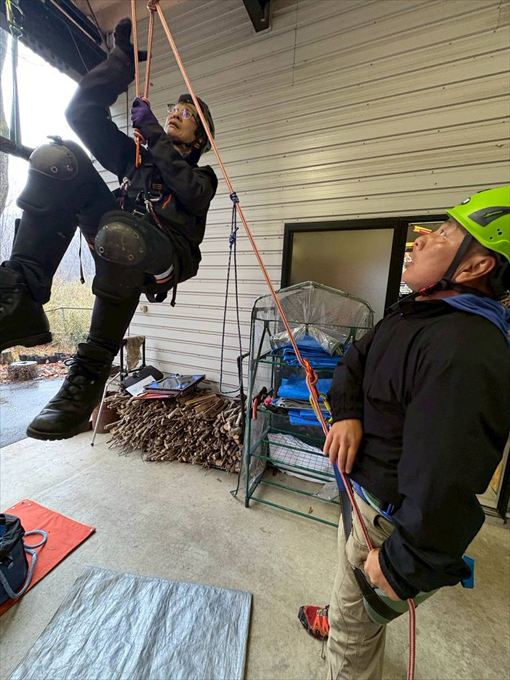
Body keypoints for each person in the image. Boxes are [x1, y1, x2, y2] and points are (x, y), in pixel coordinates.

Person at [298, 186, 510, 679]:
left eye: (444, 234)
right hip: (363, 492)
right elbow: (356, 360)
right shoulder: (414, 312)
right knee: (351, 590)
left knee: (354, 637)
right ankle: (344, 610)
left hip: (388, 519)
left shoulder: (464, 351)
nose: (420, 239)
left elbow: (446, 478)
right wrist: (347, 412)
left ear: (476, 266)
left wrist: (401, 564)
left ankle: (346, 627)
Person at [0, 19, 218, 440]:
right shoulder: (138, 159)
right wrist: (118, 67)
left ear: (200, 139)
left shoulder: (202, 178)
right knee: (56, 159)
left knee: (122, 233)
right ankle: (19, 296)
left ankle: (87, 376)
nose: (175, 112)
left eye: (187, 113)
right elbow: (82, 114)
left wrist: (152, 133)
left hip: (161, 257)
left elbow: (187, 188)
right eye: (174, 108)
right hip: (117, 233)